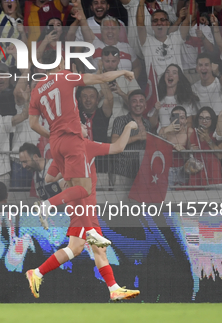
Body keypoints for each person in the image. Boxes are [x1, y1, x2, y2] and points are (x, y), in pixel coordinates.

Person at [25, 121, 141, 301]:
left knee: (80, 248)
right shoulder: (86, 146)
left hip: (79, 205)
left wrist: (66, 176)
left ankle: (113, 288)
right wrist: (129, 127)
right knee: (91, 249)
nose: (87, 127)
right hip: (83, 206)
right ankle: (38, 273)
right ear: (74, 130)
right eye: (83, 125)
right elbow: (118, 147)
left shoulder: (64, 150)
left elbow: (49, 177)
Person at [28, 52, 135, 230]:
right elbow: (101, 78)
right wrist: (123, 72)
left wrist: (52, 135)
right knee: (85, 189)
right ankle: (47, 205)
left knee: (72, 186)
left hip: (55, 144)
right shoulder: (65, 76)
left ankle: (88, 232)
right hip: (71, 140)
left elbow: (33, 124)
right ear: (60, 63)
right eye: (63, 61)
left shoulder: (36, 91)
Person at [111, 89, 153, 189]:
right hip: (122, 172)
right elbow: (114, 142)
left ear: (145, 105)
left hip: (142, 174)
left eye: (141, 101)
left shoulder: (147, 124)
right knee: (119, 203)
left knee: (140, 204)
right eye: (134, 101)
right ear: (129, 105)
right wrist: (137, 137)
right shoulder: (120, 120)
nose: (138, 104)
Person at [150, 64, 199, 129]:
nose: (170, 75)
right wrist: (156, 111)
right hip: (162, 136)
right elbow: (152, 125)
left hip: (180, 136)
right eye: (167, 72)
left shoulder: (186, 99)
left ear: (179, 77)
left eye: (174, 73)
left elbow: (189, 124)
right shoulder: (157, 98)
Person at [187, 106, 222, 189]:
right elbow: (187, 154)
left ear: (212, 120)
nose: (204, 121)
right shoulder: (193, 133)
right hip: (197, 175)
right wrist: (190, 150)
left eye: (207, 118)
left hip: (213, 174)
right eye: (201, 118)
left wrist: (208, 140)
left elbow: (220, 155)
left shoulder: (217, 134)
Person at [158, 105, 192, 187]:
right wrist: (167, 130)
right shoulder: (163, 130)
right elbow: (156, 147)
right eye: (175, 117)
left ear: (186, 120)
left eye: (182, 118)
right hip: (165, 170)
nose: (179, 121)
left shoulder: (189, 131)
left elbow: (190, 157)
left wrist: (183, 151)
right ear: (170, 120)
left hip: (182, 170)